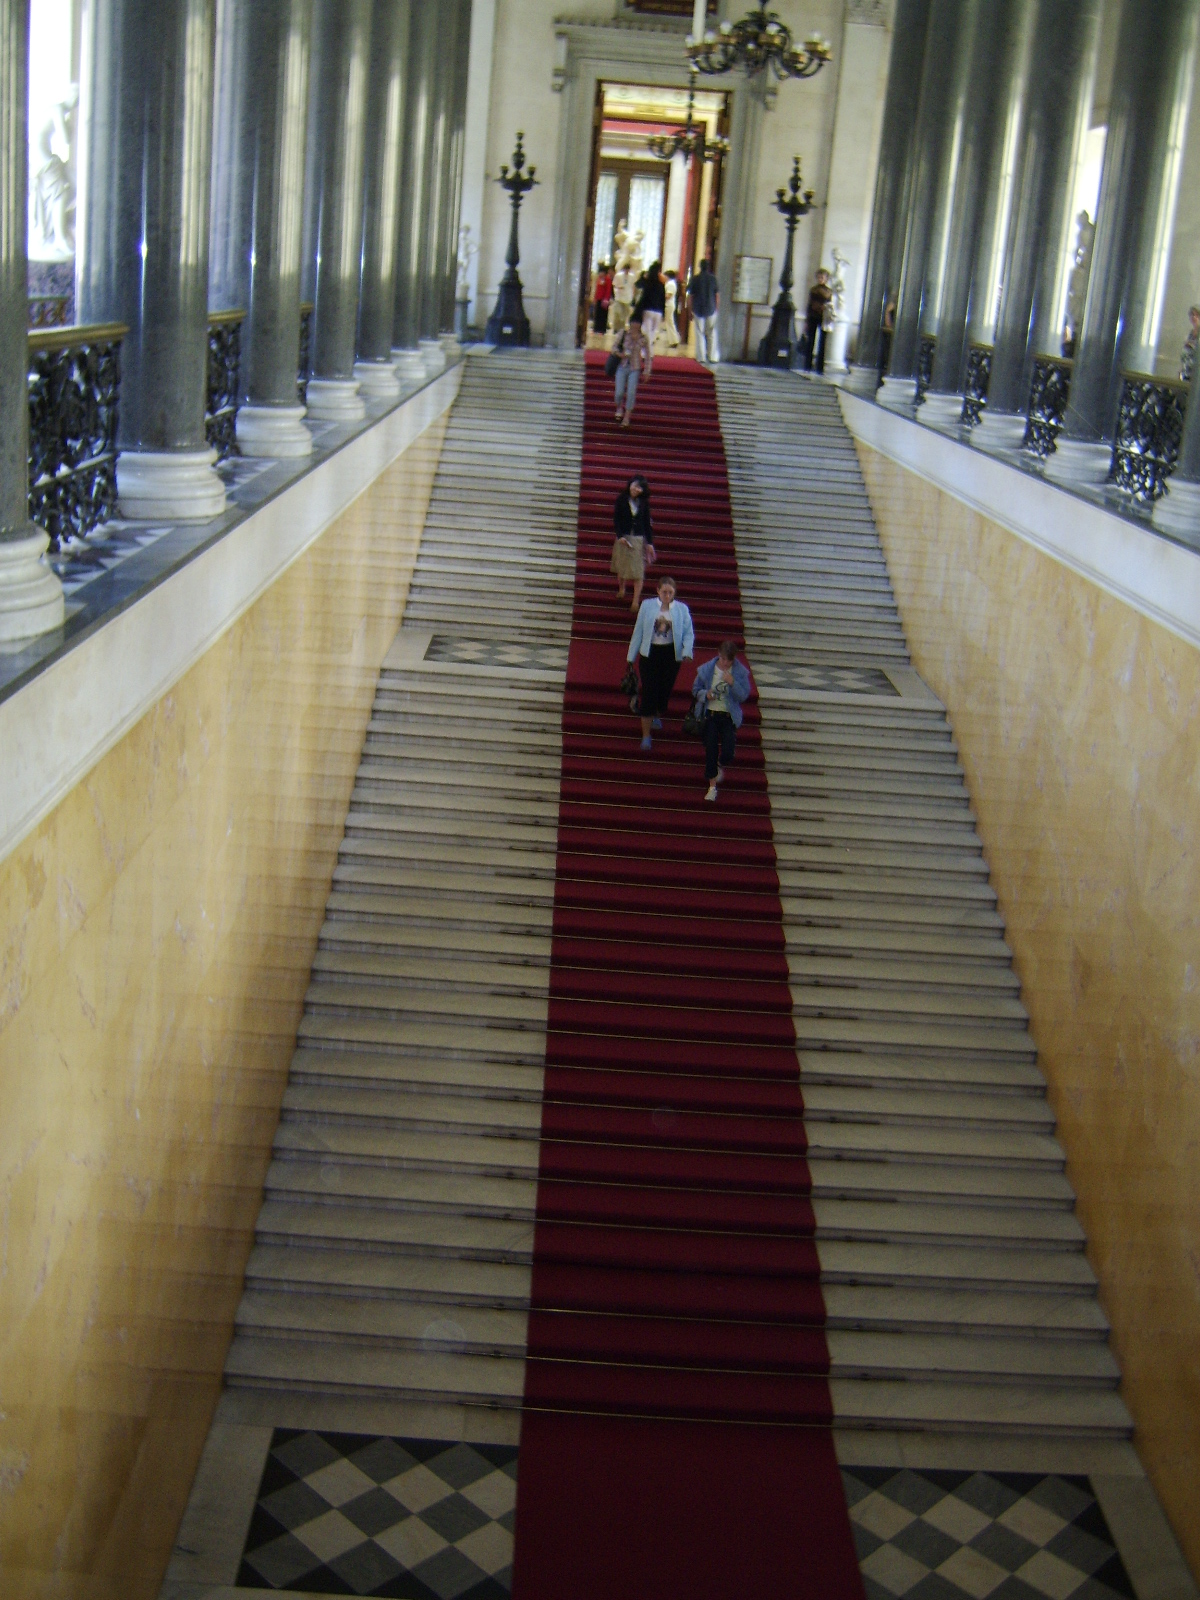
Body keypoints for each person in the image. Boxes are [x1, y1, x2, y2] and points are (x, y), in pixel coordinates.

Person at [627, 576, 694, 751]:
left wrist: (687, 651)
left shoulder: (681, 609)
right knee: (649, 691)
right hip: (650, 654)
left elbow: (688, 632)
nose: (667, 595)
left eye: (670, 592)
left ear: (674, 593)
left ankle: (657, 712)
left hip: (671, 655)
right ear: (658, 591)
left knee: (664, 690)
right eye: (664, 592)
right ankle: (646, 735)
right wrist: (631, 656)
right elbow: (639, 630)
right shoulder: (647, 606)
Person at [691, 640, 751, 802]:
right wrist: (706, 694)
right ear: (718, 654)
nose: (725, 663)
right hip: (710, 714)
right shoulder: (707, 669)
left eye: (729, 661)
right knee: (710, 748)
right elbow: (695, 690)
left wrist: (733, 683)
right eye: (723, 659)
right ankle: (712, 787)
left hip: (727, 716)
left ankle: (719, 764)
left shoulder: (740, 673)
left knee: (728, 752)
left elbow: (743, 695)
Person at [610, 475, 657, 611]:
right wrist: (619, 535)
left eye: (639, 488)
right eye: (635, 486)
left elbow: (647, 523)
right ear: (630, 484)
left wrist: (650, 543)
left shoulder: (644, 503)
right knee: (622, 567)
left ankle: (635, 601)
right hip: (623, 537)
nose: (636, 489)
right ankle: (622, 588)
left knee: (638, 571)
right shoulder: (621, 499)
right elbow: (616, 519)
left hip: (638, 539)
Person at [613, 312, 651, 427]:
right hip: (622, 365)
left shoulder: (643, 338)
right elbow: (614, 347)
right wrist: (620, 354)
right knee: (619, 392)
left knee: (631, 392)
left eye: (637, 323)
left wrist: (647, 370)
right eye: (633, 322)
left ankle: (627, 416)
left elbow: (648, 355)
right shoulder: (624, 334)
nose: (635, 325)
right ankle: (619, 407)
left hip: (635, 367)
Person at [688, 257, 720, 363]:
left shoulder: (695, 279)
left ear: (699, 267)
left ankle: (701, 357)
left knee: (699, 333)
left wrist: (689, 310)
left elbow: (690, 296)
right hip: (711, 308)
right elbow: (717, 295)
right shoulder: (713, 279)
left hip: (698, 308)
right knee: (712, 333)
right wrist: (716, 309)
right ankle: (712, 356)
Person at [804, 268, 833, 373]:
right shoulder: (814, 290)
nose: (820, 279)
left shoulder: (829, 291)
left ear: (826, 279)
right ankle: (807, 365)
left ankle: (820, 366)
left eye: (822, 277)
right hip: (813, 316)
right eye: (819, 277)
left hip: (823, 317)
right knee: (810, 341)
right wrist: (807, 320)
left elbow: (830, 305)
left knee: (823, 342)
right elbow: (809, 305)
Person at [637, 261, 667, 348]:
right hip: (658, 311)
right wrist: (663, 313)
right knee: (653, 332)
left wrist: (643, 277)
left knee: (646, 332)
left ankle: (645, 351)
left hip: (648, 309)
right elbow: (663, 299)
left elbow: (638, 285)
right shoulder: (661, 285)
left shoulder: (648, 283)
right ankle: (650, 350)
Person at [593, 263, 614, 335]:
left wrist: (606, 299)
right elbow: (597, 289)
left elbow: (608, 290)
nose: (600, 274)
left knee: (603, 315)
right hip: (598, 298)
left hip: (604, 300)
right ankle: (596, 328)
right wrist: (595, 298)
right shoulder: (599, 279)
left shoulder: (607, 279)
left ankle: (602, 329)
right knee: (597, 314)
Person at [1181, 305, 1200, 384]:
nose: (1194, 317)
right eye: (1192, 314)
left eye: (1197, 315)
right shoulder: (1190, 334)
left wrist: (1193, 346)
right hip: (1187, 373)